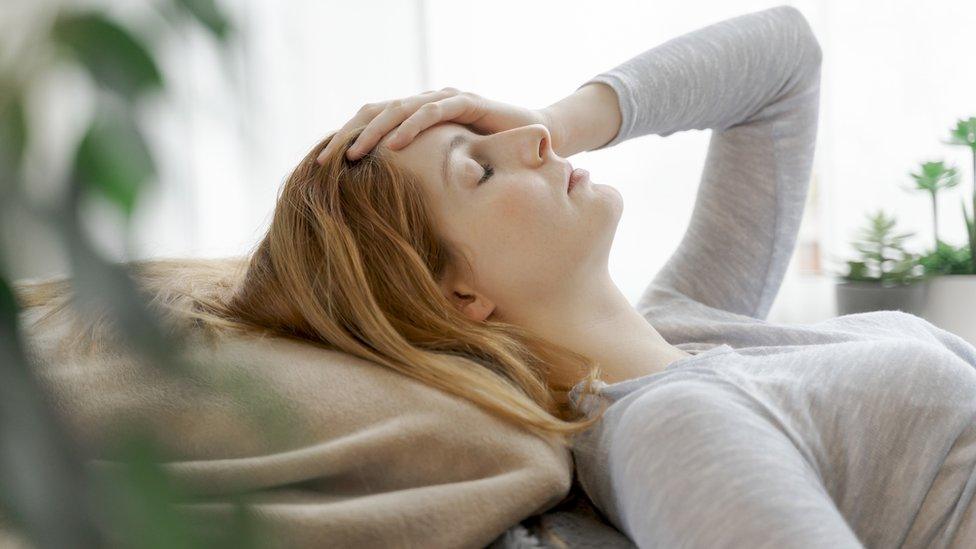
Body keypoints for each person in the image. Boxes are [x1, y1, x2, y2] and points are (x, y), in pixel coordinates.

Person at [20, 4, 976, 547]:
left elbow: (784, 62)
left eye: (491, 134)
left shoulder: (693, 324)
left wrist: (557, 118)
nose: (526, 141)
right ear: (455, 295)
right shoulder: (671, 423)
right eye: (476, 170)